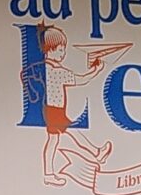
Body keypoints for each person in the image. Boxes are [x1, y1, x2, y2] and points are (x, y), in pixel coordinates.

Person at [24, 23, 112, 186]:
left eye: (63, 49)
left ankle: (49, 173)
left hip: (50, 109)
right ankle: (96, 153)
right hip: (55, 111)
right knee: (72, 132)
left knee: (53, 140)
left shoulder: (44, 68)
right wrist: (96, 70)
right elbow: (82, 79)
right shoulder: (57, 72)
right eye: (60, 49)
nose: (63, 53)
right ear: (49, 49)